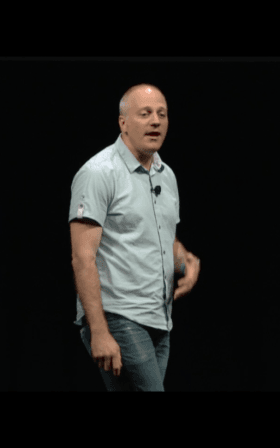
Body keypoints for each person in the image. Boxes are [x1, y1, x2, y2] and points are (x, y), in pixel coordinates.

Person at [69, 83, 200, 391]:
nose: (155, 121)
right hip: (118, 317)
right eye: (145, 113)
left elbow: (161, 237)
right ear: (123, 122)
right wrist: (99, 331)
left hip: (160, 320)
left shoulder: (166, 175)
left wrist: (186, 261)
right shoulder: (99, 172)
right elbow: (82, 258)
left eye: (162, 114)